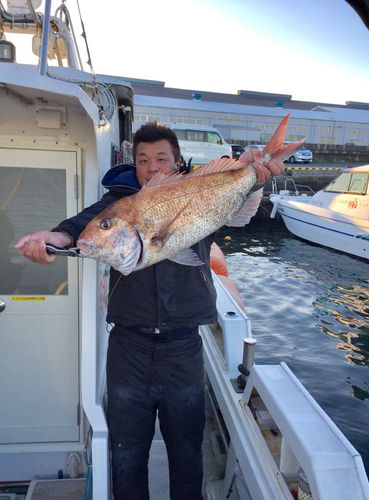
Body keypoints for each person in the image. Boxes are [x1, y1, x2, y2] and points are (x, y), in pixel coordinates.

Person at [15, 122, 285, 500]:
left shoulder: (194, 192)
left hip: (184, 348)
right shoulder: (120, 202)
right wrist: (56, 238)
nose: (152, 166)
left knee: (188, 454)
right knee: (126, 456)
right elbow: (81, 226)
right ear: (134, 165)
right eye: (143, 160)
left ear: (177, 162)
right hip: (129, 350)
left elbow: (236, 206)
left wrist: (256, 178)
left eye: (161, 158)